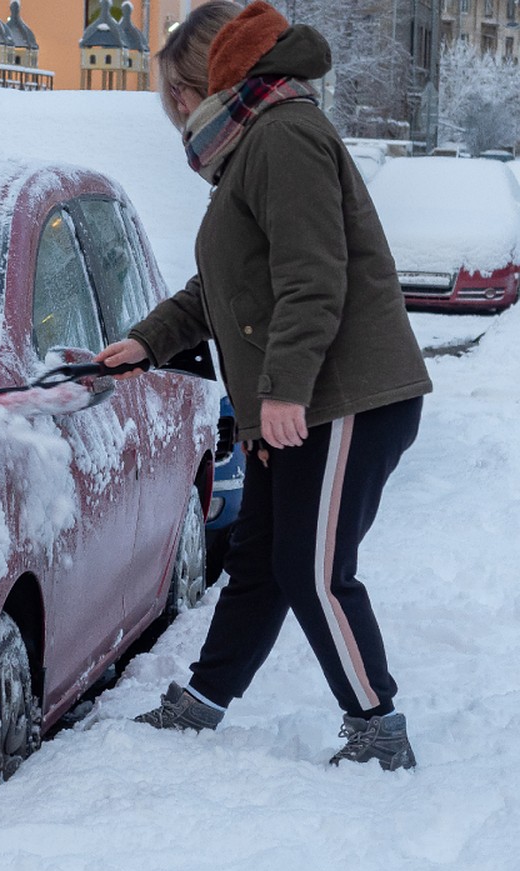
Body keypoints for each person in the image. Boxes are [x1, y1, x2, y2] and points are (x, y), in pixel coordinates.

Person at [96, 0, 432, 770]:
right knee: (261, 558)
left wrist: (283, 391)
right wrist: (145, 341)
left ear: (207, 81)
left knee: (312, 571)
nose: (175, 114)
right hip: (306, 396)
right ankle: (204, 699)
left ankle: (379, 729)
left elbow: (314, 279)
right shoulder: (256, 144)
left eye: (176, 96)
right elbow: (226, 288)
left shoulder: (284, 136)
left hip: (345, 395)